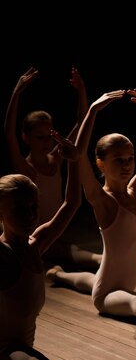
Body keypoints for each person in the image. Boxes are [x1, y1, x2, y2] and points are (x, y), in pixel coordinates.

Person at [45, 89, 136, 342]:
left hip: (114, 280)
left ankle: (57, 275)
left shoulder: (135, 191)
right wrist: (92, 111)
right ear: (100, 164)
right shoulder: (102, 201)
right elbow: (79, 155)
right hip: (108, 296)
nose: (126, 165)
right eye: (118, 160)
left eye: (130, 159)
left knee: (92, 277)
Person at [1, 134, 95, 360]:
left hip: (20, 344)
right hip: (3, 351)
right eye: (19, 209)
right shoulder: (2, 255)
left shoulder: (35, 244)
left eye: (34, 208)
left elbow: (72, 204)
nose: (30, 216)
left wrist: (74, 162)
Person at [3, 67, 102, 270]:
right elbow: (9, 134)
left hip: (53, 231)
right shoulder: (26, 169)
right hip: (32, 234)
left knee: (72, 253)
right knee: (73, 255)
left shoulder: (56, 158)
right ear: (26, 137)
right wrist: (16, 92)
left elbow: (83, 123)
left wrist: (81, 90)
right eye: (40, 137)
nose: (47, 142)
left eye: (49, 135)